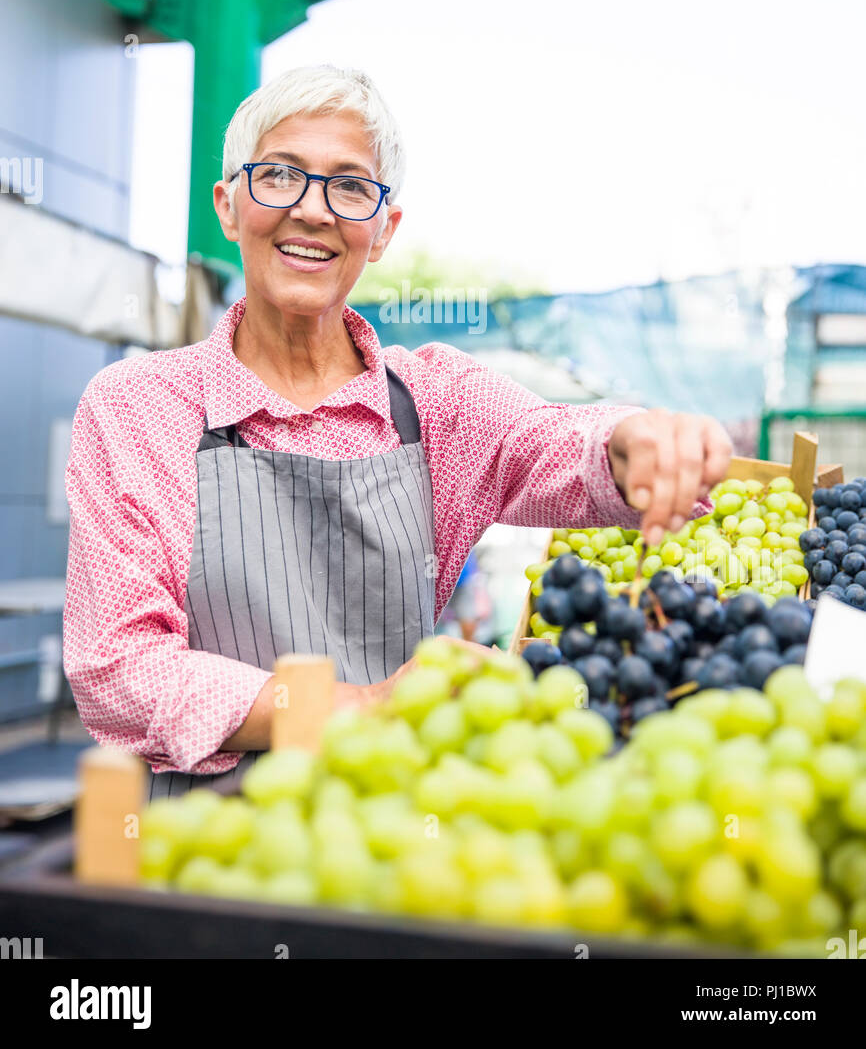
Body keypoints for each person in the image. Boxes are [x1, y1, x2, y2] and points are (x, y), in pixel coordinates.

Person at [63, 64, 732, 799]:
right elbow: (119, 669)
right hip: (204, 853)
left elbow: (555, 441)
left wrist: (630, 437)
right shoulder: (138, 408)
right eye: (280, 175)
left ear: (383, 230)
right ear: (229, 206)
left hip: (392, 843)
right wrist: (361, 708)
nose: (313, 211)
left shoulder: (435, 402)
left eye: (350, 187)